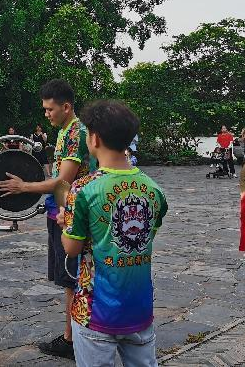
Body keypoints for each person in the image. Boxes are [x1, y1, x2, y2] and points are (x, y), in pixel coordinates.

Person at [61, 100, 168, 366]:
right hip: (139, 306)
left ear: (94, 138)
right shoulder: (153, 190)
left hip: (95, 309)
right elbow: (141, 240)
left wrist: (66, 224)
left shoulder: (83, 189)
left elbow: (71, 249)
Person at [0, 79, 93, 359]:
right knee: (67, 277)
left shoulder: (75, 133)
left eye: (50, 109)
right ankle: (72, 337)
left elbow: (62, 181)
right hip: (62, 212)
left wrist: (23, 187)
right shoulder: (64, 131)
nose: (46, 114)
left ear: (66, 106)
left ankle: (73, 341)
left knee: (72, 276)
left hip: (73, 215)